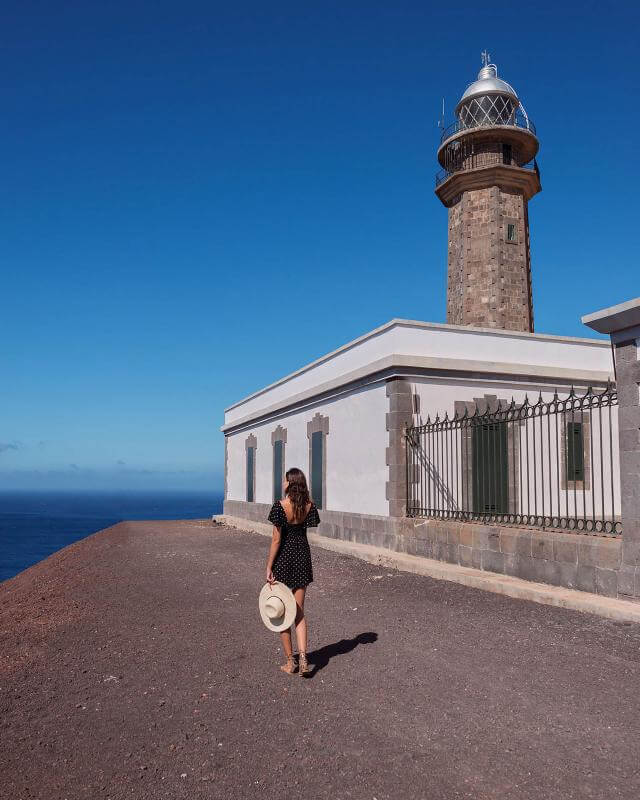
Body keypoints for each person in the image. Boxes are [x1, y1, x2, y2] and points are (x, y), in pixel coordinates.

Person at [266, 467, 320, 676]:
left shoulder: (280, 506)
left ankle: (291, 662)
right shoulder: (309, 506)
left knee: (281, 610)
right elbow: (308, 527)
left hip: (284, 560)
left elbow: (276, 539)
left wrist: (269, 565)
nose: (282, 483)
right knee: (298, 611)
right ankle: (304, 658)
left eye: (284, 480)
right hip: (302, 558)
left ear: (289, 483)